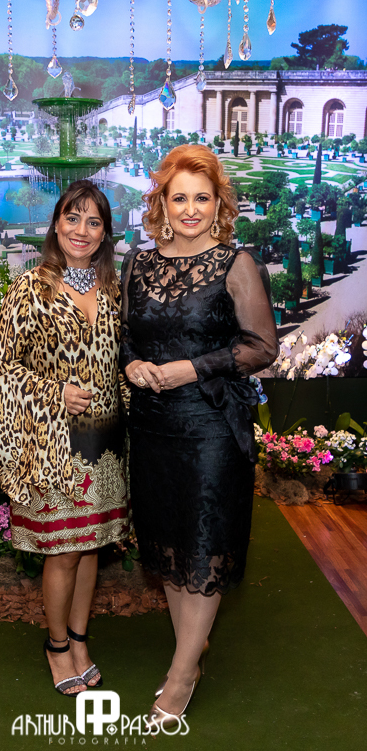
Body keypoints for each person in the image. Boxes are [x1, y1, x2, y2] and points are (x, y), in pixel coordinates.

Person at [120, 145, 279, 729]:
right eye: (179, 197)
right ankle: (192, 647)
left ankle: (183, 672)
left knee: (205, 542)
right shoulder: (137, 264)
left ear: (219, 204)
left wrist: (194, 368)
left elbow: (262, 346)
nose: (190, 209)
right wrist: (132, 363)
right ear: (161, 202)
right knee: (169, 544)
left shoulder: (236, 263)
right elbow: (124, 336)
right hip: (152, 426)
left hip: (212, 426)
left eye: (202, 198)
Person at [0, 179, 129, 697]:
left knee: (91, 547)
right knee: (63, 551)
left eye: (94, 221)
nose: (81, 230)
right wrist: (52, 392)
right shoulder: (29, 288)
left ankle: (80, 640)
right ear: (56, 223)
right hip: (50, 445)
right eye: (73, 217)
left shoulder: (113, 289)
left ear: (105, 233)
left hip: (106, 444)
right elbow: (2, 364)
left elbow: (121, 363)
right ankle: (57, 645)